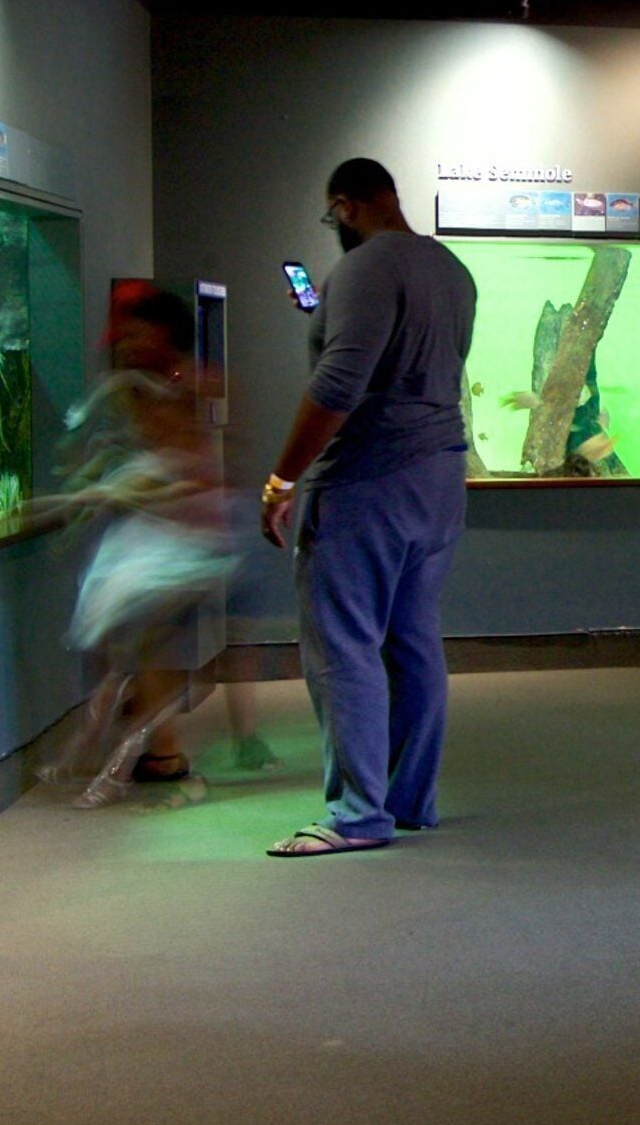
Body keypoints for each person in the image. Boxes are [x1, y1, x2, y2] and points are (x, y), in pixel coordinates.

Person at [258, 158, 478, 856]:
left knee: (343, 640)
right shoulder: (451, 270)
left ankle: (356, 813)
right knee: (411, 638)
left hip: (367, 482)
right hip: (440, 479)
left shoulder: (364, 269)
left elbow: (339, 384)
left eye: (332, 218)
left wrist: (282, 478)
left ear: (347, 206)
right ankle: (410, 799)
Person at [38, 288, 244, 809]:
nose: (125, 344)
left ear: (160, 335)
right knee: (132, 648)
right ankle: (148, 751)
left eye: (135, 333)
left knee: (146, 650)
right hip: (152, 535)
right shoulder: (136, 390)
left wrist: (115, 491)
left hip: (180, 541)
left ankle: (141, 755)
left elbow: (188, 471)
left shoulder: (188, 386)